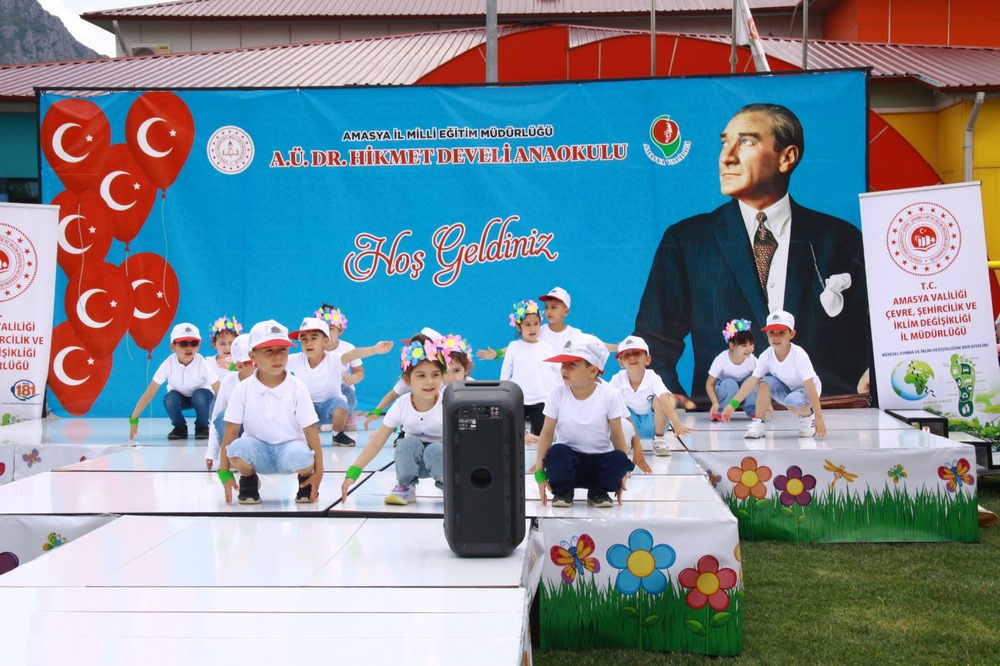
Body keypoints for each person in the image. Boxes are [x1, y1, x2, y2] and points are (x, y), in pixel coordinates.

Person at [634, 103, 868, 408]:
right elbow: (653, 340)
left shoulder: (841, 239)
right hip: (724, 425)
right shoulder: (687, 241)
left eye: (746, 142)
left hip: (824, 421)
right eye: (724, 142)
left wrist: (871, 374)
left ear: (787, 157)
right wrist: (669, 397)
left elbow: (874, 333)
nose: (726, 156)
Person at [217, 319, 323, 505]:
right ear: (253, 356)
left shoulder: (298, 387)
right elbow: (231, 431)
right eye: (269, 351)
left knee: (303, 457)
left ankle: (305, 482)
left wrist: (319, 473)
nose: (278, 357)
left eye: (283, 349)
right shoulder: (242, 389)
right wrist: (224, 472)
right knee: (236, 450)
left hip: (289, 449)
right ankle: (249, 481)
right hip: (258, 450)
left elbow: (311, 431)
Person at [341, 337, 449, 505]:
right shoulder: (402, 405)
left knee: (434, 449)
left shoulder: (447, 404)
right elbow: (377, 443)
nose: (429, 381)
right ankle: (406, 487)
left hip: (443, 462)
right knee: (407, 444)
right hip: (414, 463)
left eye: (435, 375)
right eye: (421, 376)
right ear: (407, 381)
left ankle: (450, 488)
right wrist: (354, 472)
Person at [532, 333, 635, 508]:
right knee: (557, 453)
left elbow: (617, 436)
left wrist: (622, 472)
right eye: (563, 364)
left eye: (572, 365)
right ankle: (564, 491)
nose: (564, 369)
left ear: (593, 370)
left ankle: (599, 492)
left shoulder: (609, 396)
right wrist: (539, 475)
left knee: (619, 458)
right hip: (569, 464)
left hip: (599, 463)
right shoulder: (557, 394)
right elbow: (547, 434)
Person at [287, 316, 392, 447]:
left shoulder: (335, 359)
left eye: (314, 338)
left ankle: (337, 435)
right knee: (291, 406)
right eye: (304, 340)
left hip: (329, 408)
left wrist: (374, 349)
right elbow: (275, 363)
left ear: (325, 342)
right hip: (308, 408)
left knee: (341, 406)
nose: (308, 343)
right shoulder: (295, 359)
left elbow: (353, 354)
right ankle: (299, 436)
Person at [721, 310, 826, 439]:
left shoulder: (799, 355)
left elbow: (810, 385)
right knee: (765, 382)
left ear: (791, 334)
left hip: (806, 391)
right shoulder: (766, 355)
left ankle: (808, 416)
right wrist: (733, 404)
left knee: (791, 402)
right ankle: (759, 423)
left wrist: (819, 417)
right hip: (787, 390)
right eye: (771, 333)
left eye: (781, 332)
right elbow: (752, 381)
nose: (776, 337)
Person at [128, 322, 220, 441]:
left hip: (202, 398)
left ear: (199, 345)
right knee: (170, 399)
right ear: (173, 347)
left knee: (200, 396)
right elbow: (150, 392)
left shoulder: (202, 363)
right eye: (183, 343)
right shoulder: (168, 364)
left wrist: (232, 416)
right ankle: (180, 428)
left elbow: (219, 389)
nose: (189, 348)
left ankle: (202, 427)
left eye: (194, 343)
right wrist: (134, 419)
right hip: (180, 399)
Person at [609, 335, 694, 457]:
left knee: (663, 398)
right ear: (620, 362)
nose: (632, 357)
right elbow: (606, 400)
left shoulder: (653, 377)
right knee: (613, 403)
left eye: (637, 353)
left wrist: (677, 424)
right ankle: (626, 443)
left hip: (653, 424)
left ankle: (659, 440)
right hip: (630, 424)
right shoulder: (617, 379)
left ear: (647, 359)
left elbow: (665, 399)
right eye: (626, 355)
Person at [499, 299, 561, 436]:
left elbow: (559, 372)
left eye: (536, 324)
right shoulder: (513, 347)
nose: (533, 329)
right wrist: (504, 398)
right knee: (513, 436)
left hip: (541, 400)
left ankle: (542, 458)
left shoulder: (546, 347)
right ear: (518, 327)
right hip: (518, 400)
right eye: (527, 324)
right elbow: (504, 376)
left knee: (544, 437)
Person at [477, 286, 581, 361]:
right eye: (546, 307)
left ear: (566, 311)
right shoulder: (539, 331)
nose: (548, 311)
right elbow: (519, 347)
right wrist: (497, 353)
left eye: (553, 307)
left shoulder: (575, 334)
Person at [206, 333, 254, 470]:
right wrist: (212, 452)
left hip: (259, 439)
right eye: (252, 363)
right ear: (239, 366)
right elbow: (215, 418)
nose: (257, 366)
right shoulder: (228, 382)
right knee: (222, 417)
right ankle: (233, 455)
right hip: (236, 434)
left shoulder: (266, 381)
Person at [316, 305, 362, 431]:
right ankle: (317, 419)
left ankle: (347, 415)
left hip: (342, 389)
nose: (326, 332)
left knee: (348, 396)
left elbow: (360, 372)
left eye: (330, 328)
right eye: (322, 329)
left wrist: (353, 378)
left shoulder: (348, 348)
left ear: (340, 331)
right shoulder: (314, 349)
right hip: (320, 390)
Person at [706, 318, 758, 421]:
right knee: (730, 384)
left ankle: (753, 409)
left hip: (744, 387)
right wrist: (715, 402)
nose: (749, 349)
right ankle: (721, 410)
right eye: (744, 345)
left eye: (751, 344)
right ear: (732, 345)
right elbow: (709, 383)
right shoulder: (721, 359)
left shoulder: (753, 360)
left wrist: (765, 403)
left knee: (754, 381)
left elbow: (762, 382)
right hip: (726, 387)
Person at [206, 315, 242, 382]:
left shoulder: (242, 362)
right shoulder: (208, 363)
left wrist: (232, 367)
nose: (227, 348)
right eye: (222, 344)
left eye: (231, 343)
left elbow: (252, 373)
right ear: (214, 345)